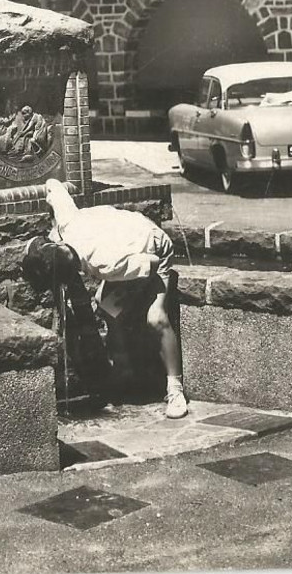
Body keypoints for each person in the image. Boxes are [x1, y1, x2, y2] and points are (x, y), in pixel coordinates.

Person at [24, 179, 187, 418]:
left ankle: (175, 389)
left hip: (155, 248)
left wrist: (134, 292)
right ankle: (124, 372)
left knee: (155, 318)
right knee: (106, 304)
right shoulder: (67, 221)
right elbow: (53, 184)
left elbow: (150, 265)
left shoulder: (105, 264)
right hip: (128, 242)